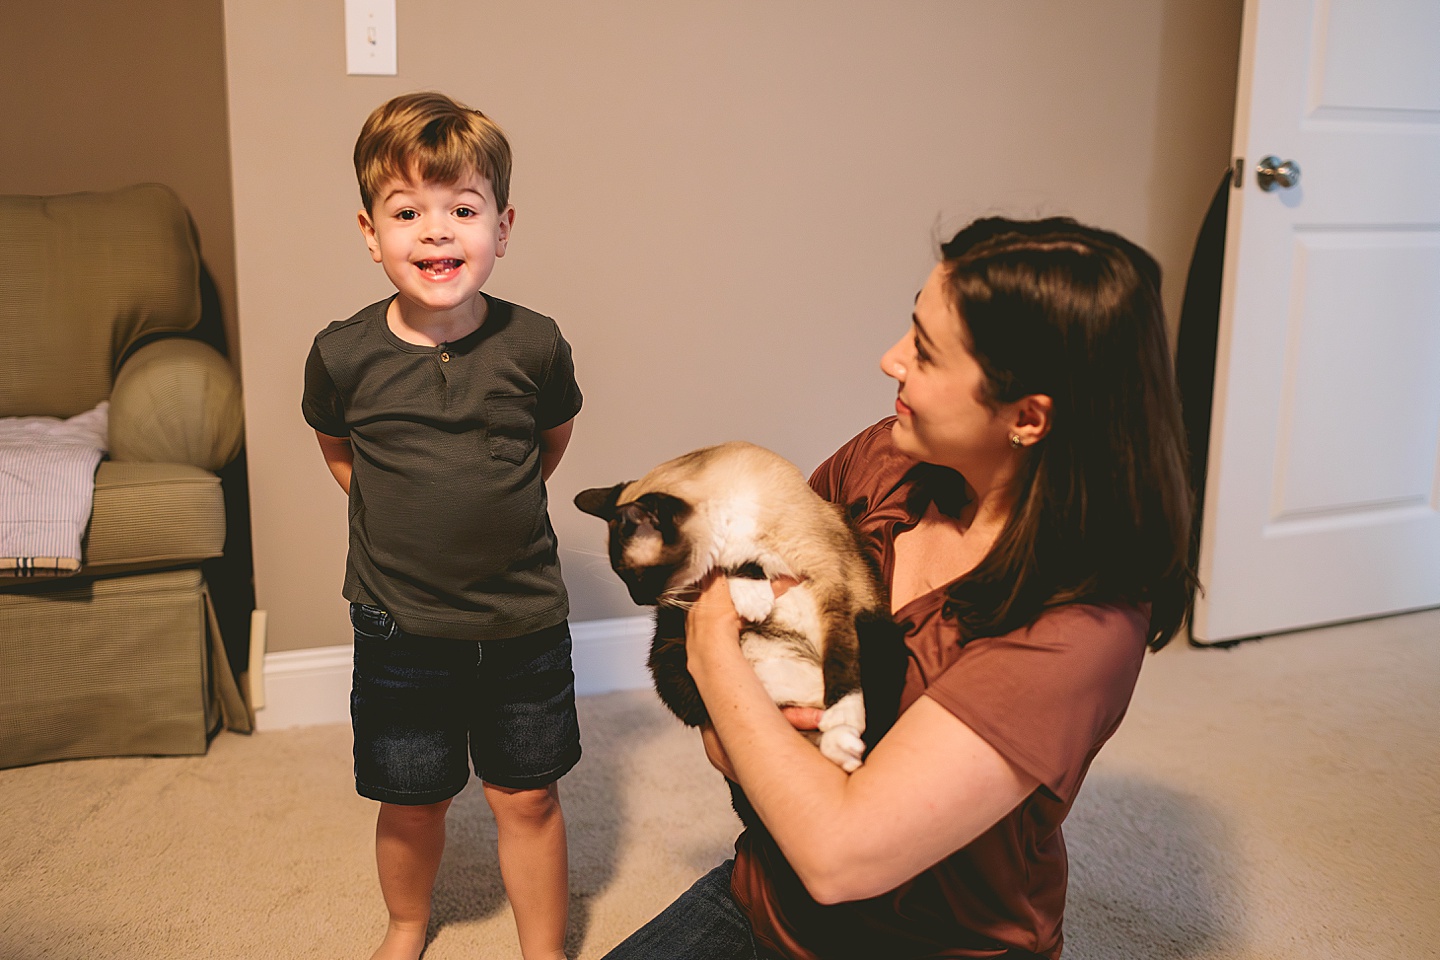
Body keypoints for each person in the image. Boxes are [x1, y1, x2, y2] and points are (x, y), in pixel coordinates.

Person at [603, 216, 1195, 959]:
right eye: (909, 328)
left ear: (1028, 416)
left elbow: (837, 854)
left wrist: (712, 642)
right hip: (766, 898)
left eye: (926, 351)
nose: (891, 361)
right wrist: (748, 736)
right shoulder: (882, 463)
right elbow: (736, 740)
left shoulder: (1078, 629)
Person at [302, 91, 583, 960]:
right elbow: (341, 454)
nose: (436, 232)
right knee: (411, 795)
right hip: (400, 628)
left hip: (520, 623)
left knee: (527, 796)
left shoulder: (534, 345)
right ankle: (408, 923)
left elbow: (547, 445)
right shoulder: (342, 354)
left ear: (501, 226)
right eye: (407, 212)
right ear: (369, 231)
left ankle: (543, 948)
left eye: (462, 210)